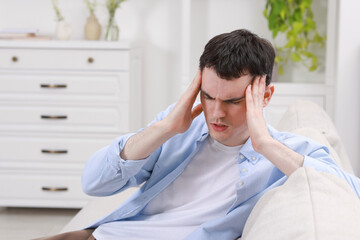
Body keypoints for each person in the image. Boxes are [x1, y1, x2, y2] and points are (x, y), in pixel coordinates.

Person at [35, 29, 360, 240]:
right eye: (207, 96)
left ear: (265, 95)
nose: (215, 113)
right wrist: (163, 129)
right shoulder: (178, 128)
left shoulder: (286, 151)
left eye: (232, 101)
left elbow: (344, 191)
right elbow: (93, 183)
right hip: (100, 235)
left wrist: (264, 143)